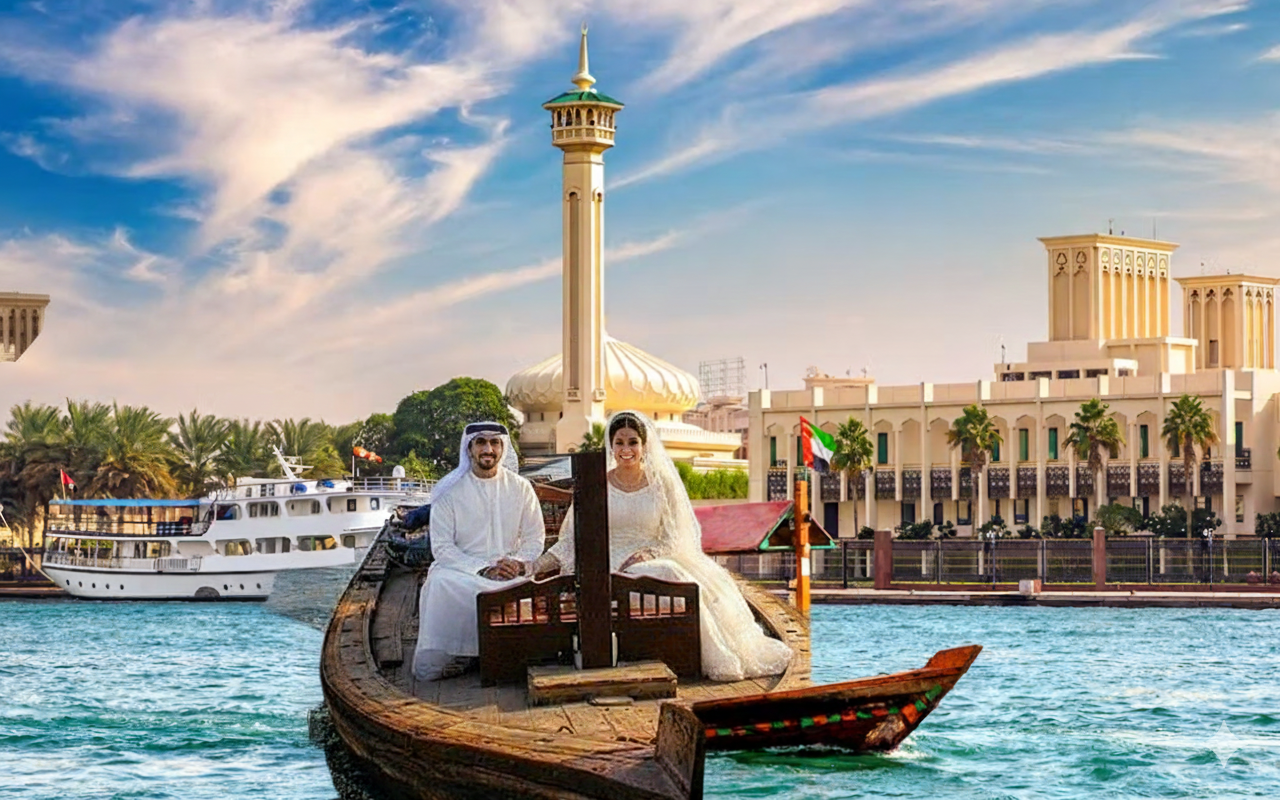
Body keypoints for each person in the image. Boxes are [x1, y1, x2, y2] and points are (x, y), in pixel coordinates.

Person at [532, 411, 792, 682]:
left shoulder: (661, 484)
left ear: (644, 445)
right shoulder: (597, 484)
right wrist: (536, 565)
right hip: (608, 564)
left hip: (652, 559)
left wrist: (649, 553)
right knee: (653, 576)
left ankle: (715, 655)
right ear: (611, 446)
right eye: (619, 443)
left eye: (632, 442)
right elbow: (573, 538)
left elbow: (672, 536)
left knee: (677, 575)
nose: (626, 449)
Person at [411, 422, 545, 681]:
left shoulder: (520, 488)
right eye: (481, 442)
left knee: (520, 587)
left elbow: (534, 538)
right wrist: (482, 569)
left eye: (494, 443)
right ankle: (462, 654)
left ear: (502, 449)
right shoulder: (449, 493)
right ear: (469, 448)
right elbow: (442, 548)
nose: (488, 449)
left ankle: (490, 654)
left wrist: (516, 563)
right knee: (440, 583)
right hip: (462, 571)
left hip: (508, 570)